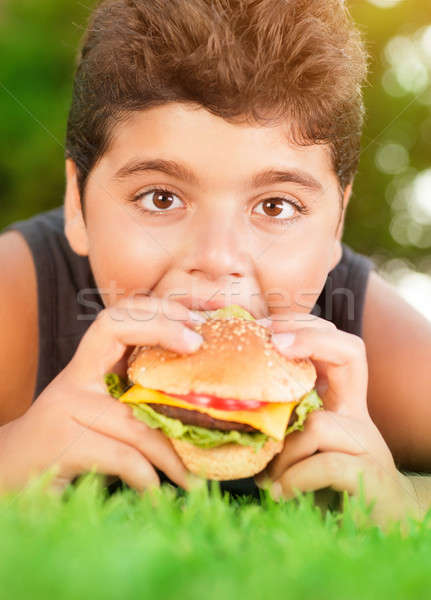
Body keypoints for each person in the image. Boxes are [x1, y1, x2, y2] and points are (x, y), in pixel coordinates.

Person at [0, 0, 430, 529]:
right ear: (76, 203)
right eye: (160, 198)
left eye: (276, 206)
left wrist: (407, 500)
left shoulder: (367, 339)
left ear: (335, 224)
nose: (218, 260)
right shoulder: (17, 300)